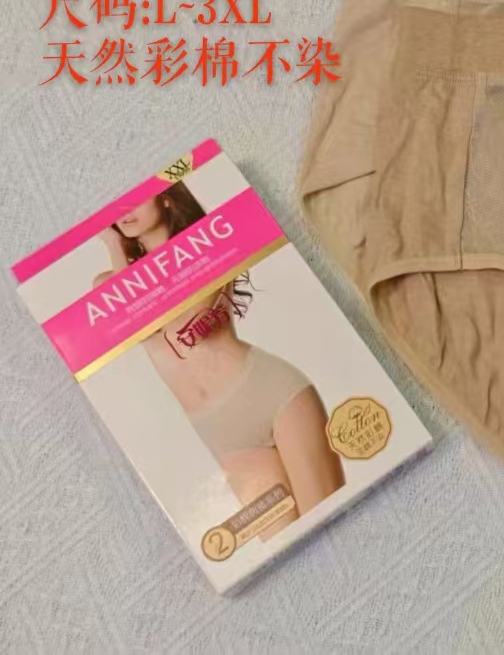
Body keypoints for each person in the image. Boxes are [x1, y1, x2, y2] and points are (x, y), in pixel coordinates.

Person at [94, 183, 344, 538]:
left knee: (332, 522)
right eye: (117, 207)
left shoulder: (206, 251)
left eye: (136, 198)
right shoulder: (106, 282)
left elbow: (186, 327)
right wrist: (113, 245)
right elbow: (130, 322)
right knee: (289, 543)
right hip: (224, 435)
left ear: (166, 196)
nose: (125, 211)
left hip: (271, 394)